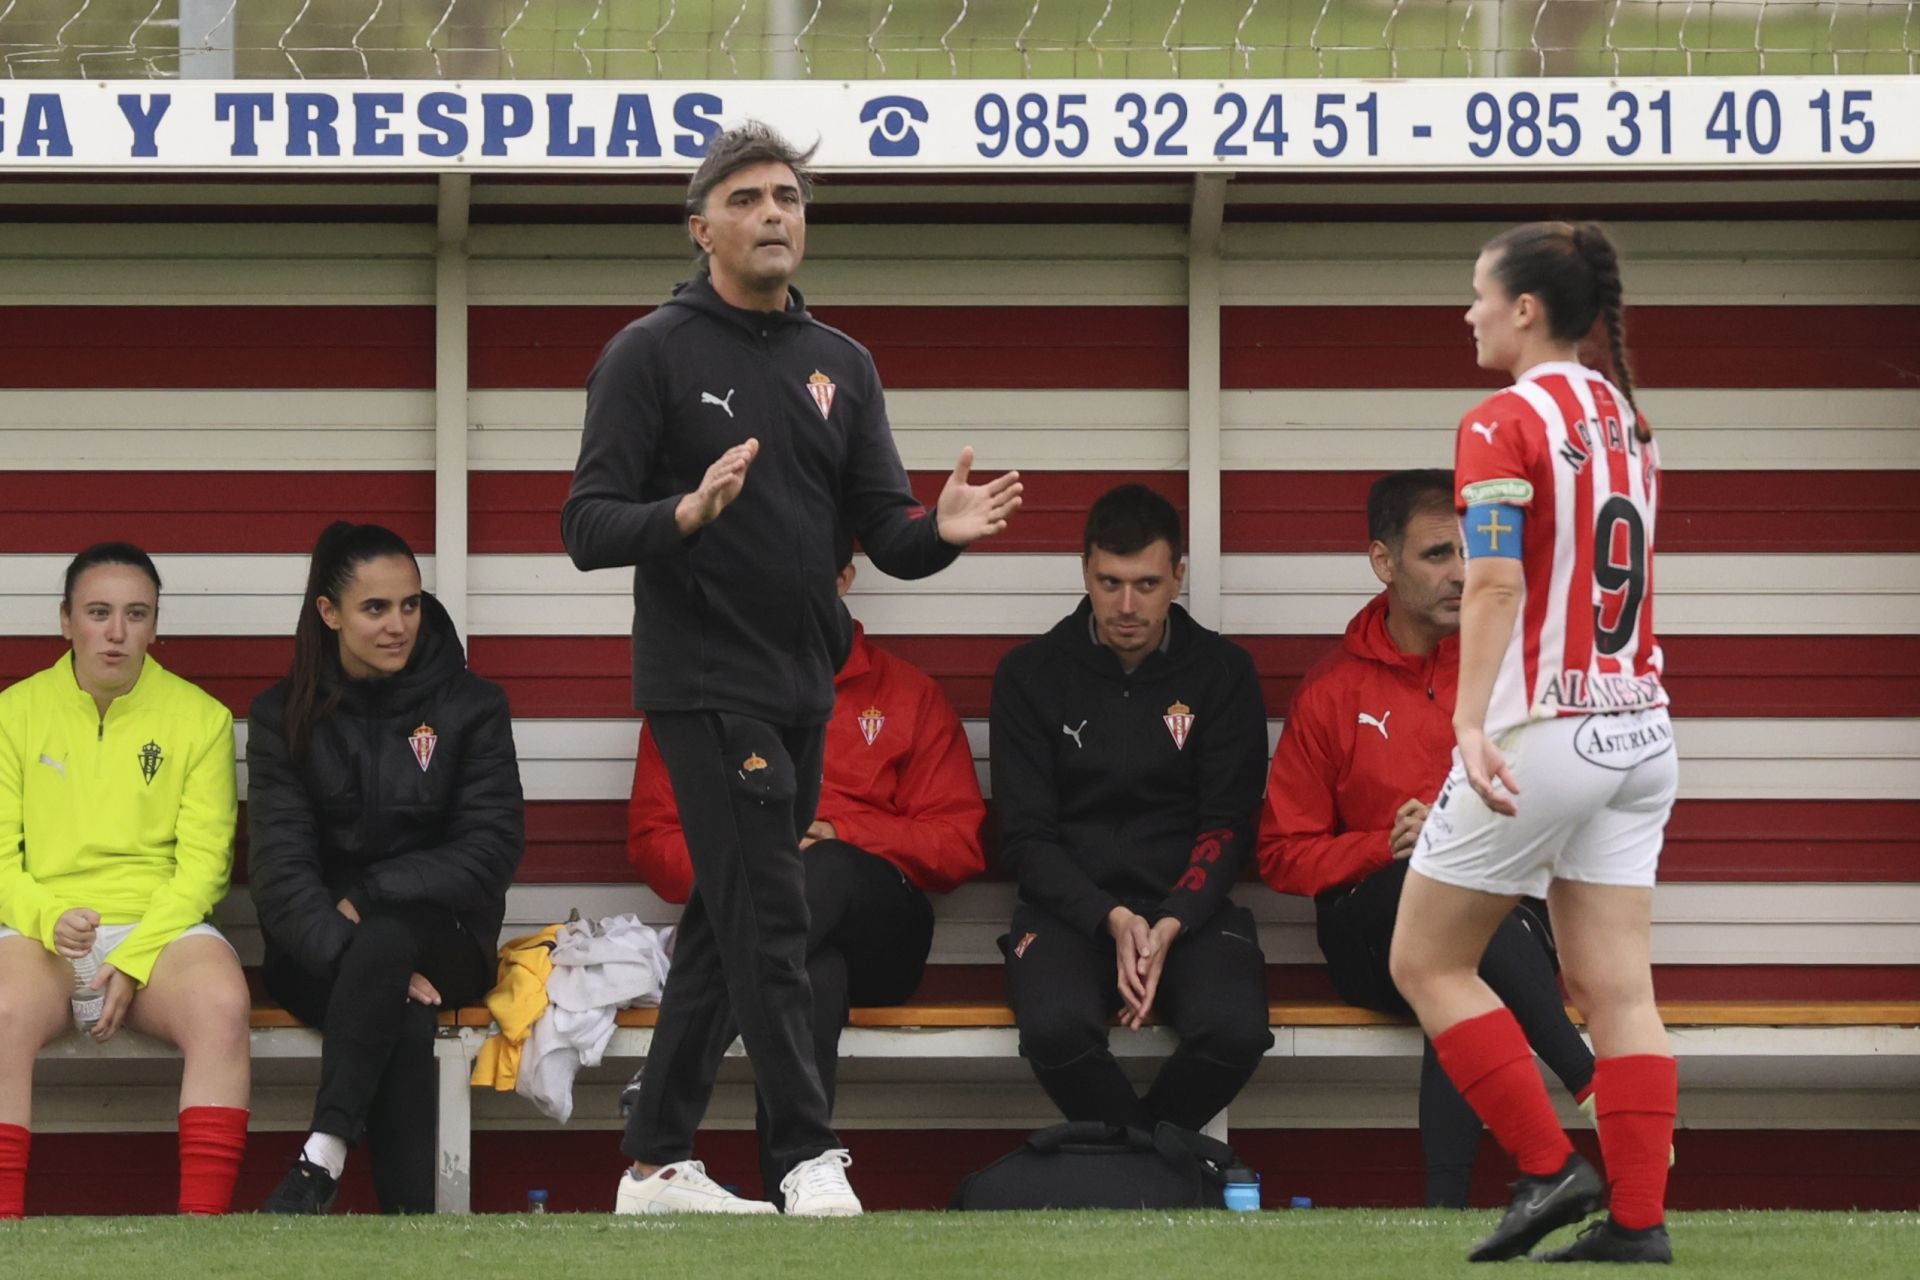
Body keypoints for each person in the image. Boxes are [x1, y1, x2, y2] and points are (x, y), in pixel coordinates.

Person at [561, 121, 1020, 1218]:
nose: (777, 214)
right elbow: (586, 523)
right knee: (771, 910)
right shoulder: (649, 353)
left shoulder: (842, 364)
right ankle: (811, 1152)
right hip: (705, 680)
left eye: (792, 199)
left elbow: (887, 533)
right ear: (702, 224)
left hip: (803, 686)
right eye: (753, 197)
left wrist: (941, 527)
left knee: (727, 924)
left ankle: (655, 1161)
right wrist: (684, 510)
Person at [1388, 222, 1678, 1264]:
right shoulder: (1630, 420)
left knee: (1425, 957)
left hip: (1549, 726)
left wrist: (1469, 720)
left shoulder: (1500, 420)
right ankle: (1637, 1225)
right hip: (1643, 726)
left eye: (1478, 293)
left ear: (1524, 308)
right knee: (1621, 989)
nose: (1466, 311)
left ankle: (1549, 1164)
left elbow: (1498, 580)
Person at [1257, 468, 1595, 1208]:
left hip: (1502, 921)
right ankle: (1588, 1078)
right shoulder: (1330, 691)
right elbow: (1281, 852)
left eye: (1475, 552)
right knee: (1446, 931)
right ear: (1384, 562)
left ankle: (1443, 1215)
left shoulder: (1514, 676)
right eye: (1438, 554)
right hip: (1370, 934)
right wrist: (1387, 844)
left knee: (1459, 958)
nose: (1463, 574)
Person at [626, 536, 986, 1204]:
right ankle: (802, 1187)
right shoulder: (705, 698)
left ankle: (670, 1076)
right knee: (805, 975)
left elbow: (958, 841)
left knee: (826, 870)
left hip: (883, 930)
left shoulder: (907, 694)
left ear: (844, 579)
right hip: (779, 944)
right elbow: (655, 840)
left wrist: (841, 832)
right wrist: (753, 858)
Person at [248, 523, 524, 1215]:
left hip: (449, 942)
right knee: (394, 996)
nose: (398, 624)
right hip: (317, 949)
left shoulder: (473, 706)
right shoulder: (283, 715)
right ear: (329, 613)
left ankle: (326, 1151)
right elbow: (281, 873)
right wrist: (370, 960)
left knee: (389, 942)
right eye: (376, 609)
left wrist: (370, 895)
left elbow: (490, 848)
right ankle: (411, 1228)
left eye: (410, 604)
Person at [991, 484, 1272, 1134]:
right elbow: (1026, 838)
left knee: (1235, 1031)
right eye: (1109, 582)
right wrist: (1112, 919)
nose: (1126, 605)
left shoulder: (1223, 673)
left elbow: (1227, 826)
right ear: (1085, 574)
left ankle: (1130, 1168)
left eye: (1146, 584)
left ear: (1178, 576)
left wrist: (1170, 920)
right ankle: (1156, 1172)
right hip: (1071, 914)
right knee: (1054, 1029)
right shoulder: (1029, 675)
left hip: (1190, 914)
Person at [0, 543, 250, 1218]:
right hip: (42, 935)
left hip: (161, 935)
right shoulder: (13, 713)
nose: (116, 632)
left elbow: (204, 866)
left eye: (136, 614)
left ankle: (202, 1237)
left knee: (223, 1007)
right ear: (65, 621)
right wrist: (48, 915)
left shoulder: (200, 717)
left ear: (155, 625)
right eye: (99, 613)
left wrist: (137, 957)